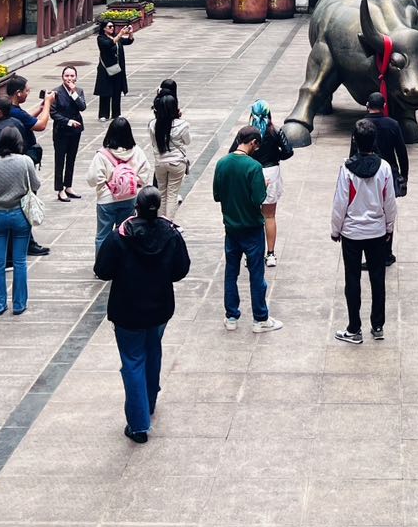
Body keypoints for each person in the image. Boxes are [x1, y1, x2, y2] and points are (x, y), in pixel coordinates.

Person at [94, 185, 192, 443]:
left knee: (133, 361)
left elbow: (102, 270)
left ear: (136, 206)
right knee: (152, 350)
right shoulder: (170, 233)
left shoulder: (121, 236)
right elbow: (181, 269)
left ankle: (138, 425)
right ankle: (149, 401)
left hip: (127, 311)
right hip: (159, 308)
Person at [333, 116, 398, 344]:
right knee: (378, 279)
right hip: (377, 232)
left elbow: (340, 202)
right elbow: (389, 201)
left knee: (352, 280)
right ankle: (378, 325)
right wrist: (389, 226)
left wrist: (335, 229)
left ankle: (354, 329)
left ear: (354, 140)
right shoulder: (385, 168)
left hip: (352, 233)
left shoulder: (346, 168)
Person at [213, 125, 281, 332]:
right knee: (256, 275)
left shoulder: (222, 163)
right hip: (252, 228)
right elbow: (258, 199)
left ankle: (231, 316)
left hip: (231, 228)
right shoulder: (253, 167)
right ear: (253, 143)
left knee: (231, 272)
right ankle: (260, 318)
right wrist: (265, 184)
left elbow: (217, 195)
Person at [0, 124, 37, 316]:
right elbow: (36, 184)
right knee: (20, 261)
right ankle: (19, 304)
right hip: (20, 213)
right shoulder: (25, 161)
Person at [351, 93, 408, 265]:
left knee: (369, 211)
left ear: (368, 105)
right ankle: (386, 254)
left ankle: (372, 255)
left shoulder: (361, 125)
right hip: (388, 173)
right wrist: (404, 175)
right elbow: (401, 152)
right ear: (383, 106)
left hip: (364, 173)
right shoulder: (392, 124)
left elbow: (353, 152)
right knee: (386, 213)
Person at [87, 117, 152, 252]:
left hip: (106, 199)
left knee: (102, 235)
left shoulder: (102, 155)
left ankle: (102, 268)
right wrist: (134, 183)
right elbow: (145, 173)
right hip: (129, 198)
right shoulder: (137, 151)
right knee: (125, 233)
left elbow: (92, 179)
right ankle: (122, 266)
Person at [248, 99, 293, 266]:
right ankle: (271, 254)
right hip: (271, 172)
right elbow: (288, 151)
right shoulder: (275, 131)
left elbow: (234, 151)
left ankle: (252, 253)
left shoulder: (247, 133)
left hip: (251, 172)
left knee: (252, 214)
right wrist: (276, 157)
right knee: (269, 215)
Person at [149, 87, 191, 220]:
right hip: (177, 162)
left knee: (161, 192)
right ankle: (169, 222)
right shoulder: (182, 125)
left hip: (160, 162)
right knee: (172, 194)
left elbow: (154, 142)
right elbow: (187, 141)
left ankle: (160, 221)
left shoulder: (153, 124)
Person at [50, 65, 88, 201]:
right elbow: (53, 113)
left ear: (76, 77)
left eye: (72, 76)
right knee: (60, 160)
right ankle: (59, 189)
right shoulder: (56, 92)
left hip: (76, 131)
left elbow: (82, 107)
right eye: (67, 76)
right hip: (61, 130)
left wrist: (74, 93)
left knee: (71, 158)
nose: (69, 78)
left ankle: (68, 186)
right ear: (62, 77)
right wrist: (68, 121)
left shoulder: (79, 91)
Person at [2, 75, 51, 164]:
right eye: (26, 91)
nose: (28, 93)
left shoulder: (8, 107)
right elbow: (41, 125)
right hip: (21, 158)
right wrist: (48, 103)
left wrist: (40, 109)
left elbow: (24, 120)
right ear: (18, 93)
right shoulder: (15, 112)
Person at [94, 19, 134, 122]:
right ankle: (103, 114)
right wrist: (120, 34)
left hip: (117, 69)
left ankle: (116, 113)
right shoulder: (101, 38)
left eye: (113, 26)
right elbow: (108, 44)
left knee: (116, 91)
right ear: (104, 28)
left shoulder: (115, 37)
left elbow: (128, 41)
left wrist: (130, 33)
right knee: (105, 92)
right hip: (106, 69)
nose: (112, 28)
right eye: (109, 26)